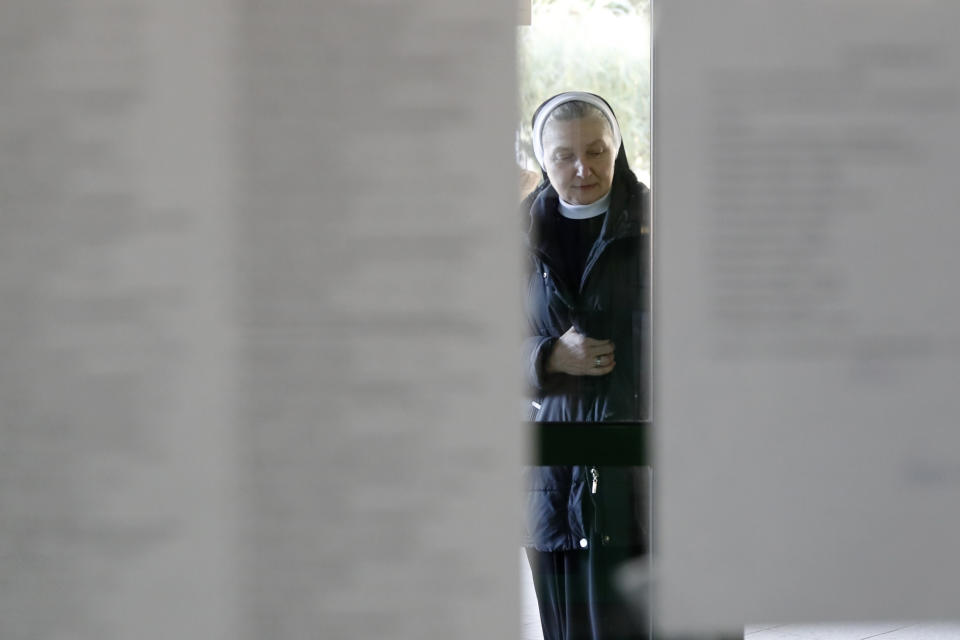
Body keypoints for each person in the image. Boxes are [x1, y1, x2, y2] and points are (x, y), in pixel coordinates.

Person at [521, 91, 650, 640]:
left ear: (616, 148)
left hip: (643, 473)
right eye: (563, 156)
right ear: (541, 161)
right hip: (554, 475)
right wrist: (547, 355)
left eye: (596, 151)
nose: (582, 169)